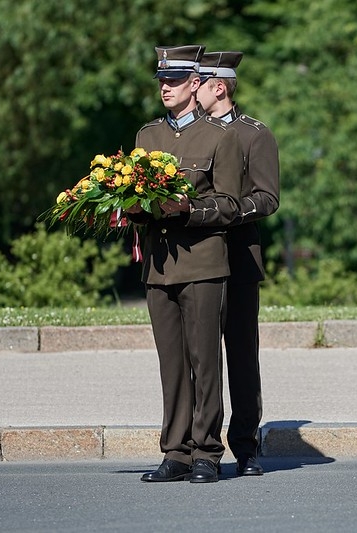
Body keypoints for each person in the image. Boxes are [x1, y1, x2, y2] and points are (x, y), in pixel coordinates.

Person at [127, 44, 244, 483]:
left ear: (196, 84)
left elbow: (230, 204)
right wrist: (130, 208)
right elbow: (138, 196)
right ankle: (175, 452)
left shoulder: (221, 136)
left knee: (204, 361)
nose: (165, 88)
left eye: (174, 81)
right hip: (158, 265)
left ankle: (206, 452)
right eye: (161, 81)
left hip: (202, 264)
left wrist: (188, 211)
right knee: (171, 365)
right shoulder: (147, 137)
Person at [197, 50, 280, 477]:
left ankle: (245, 446)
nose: (191, 89)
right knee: (201, 356)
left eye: (200, 82)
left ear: (219, 87)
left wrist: (226, 211)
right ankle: (200, 445)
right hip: (195, 261)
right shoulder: (188, 134)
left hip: (239, 258)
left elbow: (268, 197)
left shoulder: (254, 135)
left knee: (242, 356)